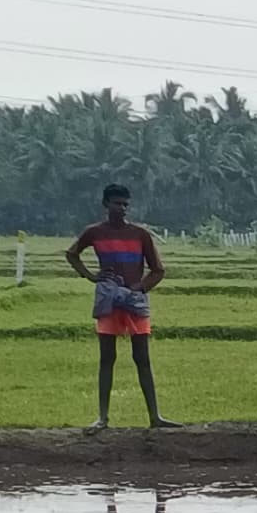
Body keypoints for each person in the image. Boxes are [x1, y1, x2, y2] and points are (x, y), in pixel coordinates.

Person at [62, 184, 177, 429]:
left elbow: (158, 270)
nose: (122, 208)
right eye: (117, 203)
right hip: (108, 297)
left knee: (142, 358)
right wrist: (91, 276)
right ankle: (103, 417)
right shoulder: (94, 232)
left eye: (125, 204)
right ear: (106, 204)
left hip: (135, 299)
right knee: (107, 358)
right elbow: (72, 254)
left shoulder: (140, 234)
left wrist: (140, 288)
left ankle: (155, 417)